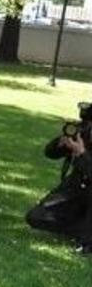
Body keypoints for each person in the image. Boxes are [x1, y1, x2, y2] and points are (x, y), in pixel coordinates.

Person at [26, 104, 92, 255]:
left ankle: (86, 236)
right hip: (78, 188)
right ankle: (83, 229)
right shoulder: (85, 130)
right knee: (36, 216)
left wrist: (81, 154)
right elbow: (49, 153)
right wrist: (62, 143)